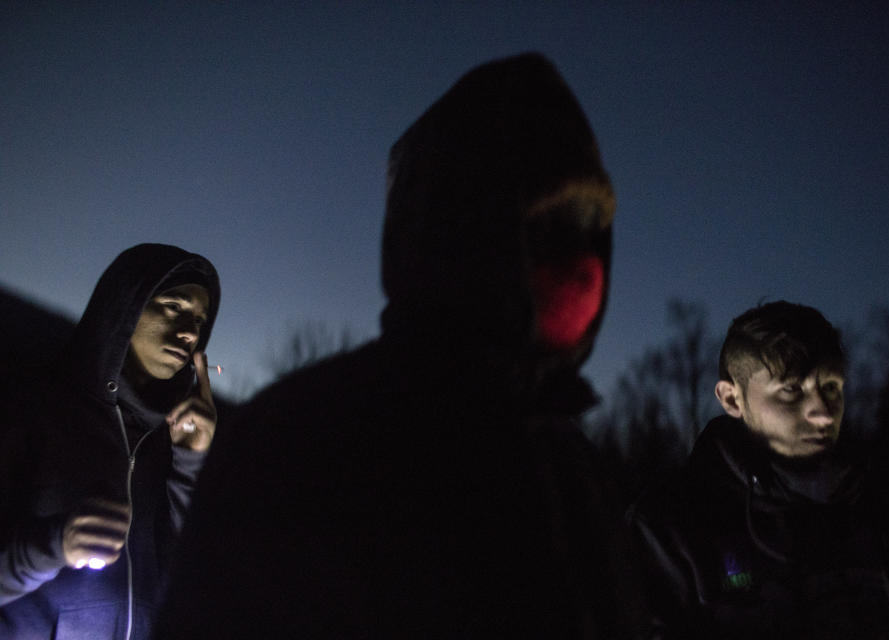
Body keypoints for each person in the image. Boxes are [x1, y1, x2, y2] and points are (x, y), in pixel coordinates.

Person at [156, 53, 644, 638]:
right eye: (543, 228)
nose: (579, 268)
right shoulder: (302, 442)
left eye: (586, 228)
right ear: (458, 228)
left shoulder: (572, 465)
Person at [629, 301, 889, 638]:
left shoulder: (876, 512)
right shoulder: (672, 525)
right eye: (791, 390)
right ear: (732, 399)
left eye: (831, 387)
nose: (823, 412)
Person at [0, 243, 220, 639]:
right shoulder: (31, 410)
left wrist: (191, 464)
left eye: (200, 321)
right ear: (125, 307)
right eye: (173, 306)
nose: (189, 332)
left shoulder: (174, 440)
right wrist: (55, 545)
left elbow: (191, 581)